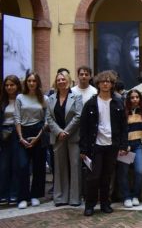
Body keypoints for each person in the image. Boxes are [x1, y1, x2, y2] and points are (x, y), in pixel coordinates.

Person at [79, 70, 128, 216]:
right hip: (96, 146)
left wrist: (123, 145)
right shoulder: (90, 104)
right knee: (93, 176)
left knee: (107, 176)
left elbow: (124, 126)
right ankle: (90, 205)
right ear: (98, 84)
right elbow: (84, 127)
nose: (105, 84)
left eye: (108, 81)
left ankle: (106, 203)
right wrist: (83, 148)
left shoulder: (118, 102)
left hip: (112, 145)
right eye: (103, 81)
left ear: (112, 84)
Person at [45, 70, 83, 207]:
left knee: (75, 166)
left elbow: (78, 116)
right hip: (57, 137)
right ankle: (60, 197)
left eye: (63, 79)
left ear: (68, 80)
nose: (61, 81)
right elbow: (48, 117)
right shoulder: (51, 99)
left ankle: (74, 198)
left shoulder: (77, 97)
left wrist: (66, 132)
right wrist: (58, 132)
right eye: (59, 79)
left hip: (72, 136)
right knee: (59, 168)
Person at [14, 72, 48, 209]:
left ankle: (35, 195)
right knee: (22, 166)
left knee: (39, 166)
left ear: (38, 82)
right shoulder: (20, 97)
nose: (31, 83)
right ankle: (23, 197)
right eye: (29, 81)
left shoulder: (43, 98)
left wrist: (38, 137)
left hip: (39, 132)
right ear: (26, 82)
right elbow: (17, 118)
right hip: (23, 132)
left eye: (34, 81)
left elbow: (46, 119)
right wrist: (21, 137)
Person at [119, 89, 142, 208]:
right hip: (127, 147)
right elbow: (120, 130)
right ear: (128, 99)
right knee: (123, 172)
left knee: (139, 171)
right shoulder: (124, 112)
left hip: (138, 145)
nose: (135, 99)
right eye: (132, 97)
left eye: (137, 97)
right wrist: (124, 145)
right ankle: (126, 196)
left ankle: (136, 195)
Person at [0, 75, 22, 206]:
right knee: (4, 165)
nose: (9, 87)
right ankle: (3, 194)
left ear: (17, 86)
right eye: (7, 85)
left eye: (12, 85)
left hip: (16, 133)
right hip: (3, 134)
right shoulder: (2, 101)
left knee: (16, 165)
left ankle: (14, 194)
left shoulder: (21, 100)